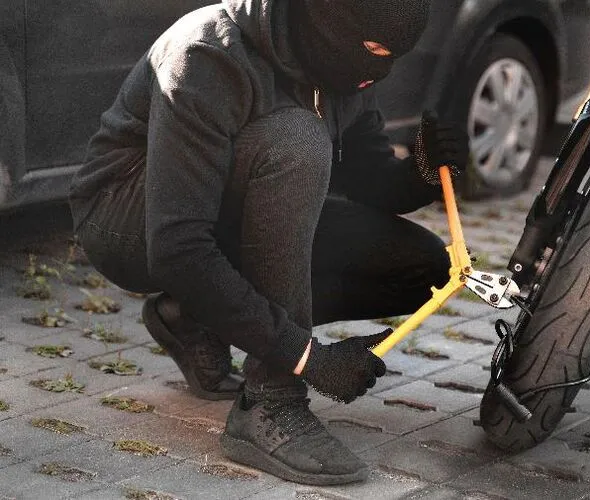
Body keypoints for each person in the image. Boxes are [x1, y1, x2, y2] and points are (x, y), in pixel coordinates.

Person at [68, 0, 469, 485]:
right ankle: (270, 404)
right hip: (130, 219)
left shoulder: (339, 63)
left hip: (228, 218)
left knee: (418, 267)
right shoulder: (208, 54)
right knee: (297, 141)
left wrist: (422, 173)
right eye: (375, 50)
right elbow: (177, 243)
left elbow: (367, 174)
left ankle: (193, 315)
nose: (381, 70)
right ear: (327, 23)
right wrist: (305, 358)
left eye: (396, 55)